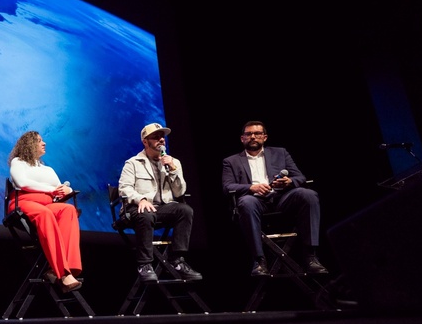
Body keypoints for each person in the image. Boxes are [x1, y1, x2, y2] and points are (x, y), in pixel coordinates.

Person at [222, 120, 328, 276]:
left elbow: (300, 177)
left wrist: (289, 181)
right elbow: (227, 186)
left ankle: (311, 256)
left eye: (257, 133)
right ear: (242, 138)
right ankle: (259, 260)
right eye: (248, 134)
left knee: (309, 194)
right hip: (255, 200)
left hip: (282, 197)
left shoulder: (280, 153)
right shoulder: (231, 161)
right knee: (245, 202)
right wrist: (251, 187)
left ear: (264, 137)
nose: (253, 137)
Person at [118, 122, 202, 283]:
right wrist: (140, 199)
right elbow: (124, 188)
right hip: (137, 208)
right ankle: (144, 265)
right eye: (155, 137)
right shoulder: (133, 163)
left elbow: (179, 192)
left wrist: (173, 169)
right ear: (145, 141)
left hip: (162, 207)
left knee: (185, 210)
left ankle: (177, 259)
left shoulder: (173, 162)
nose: (161, 140)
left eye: (162, 137)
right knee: (146, 214)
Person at [7, 131, 83, 293]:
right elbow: (22, 183)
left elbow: (60, 188)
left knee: (68, 210)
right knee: (45, 214)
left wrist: (67, 189)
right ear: (28, 145)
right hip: (24, 202)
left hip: (47, 203)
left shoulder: (47, 169)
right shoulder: (18, 162)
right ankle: (63, 273)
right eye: (39, 141)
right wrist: (51, 190)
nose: (44, 143)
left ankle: (65, 268)